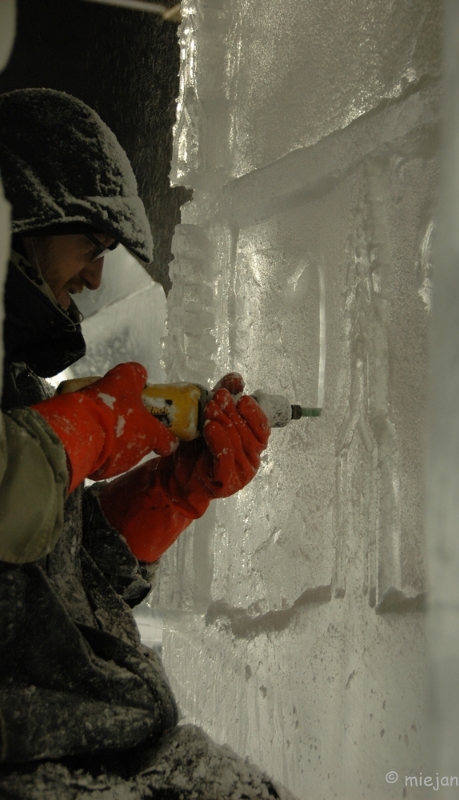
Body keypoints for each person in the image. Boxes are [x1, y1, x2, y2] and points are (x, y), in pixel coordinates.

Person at [0, 88, 294, 799]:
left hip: (99, 747)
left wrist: (171, 492)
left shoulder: (16, 395)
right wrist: (92, 425)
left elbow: (50, 590)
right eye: (89, 246)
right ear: (18, 216)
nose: (97, 277)